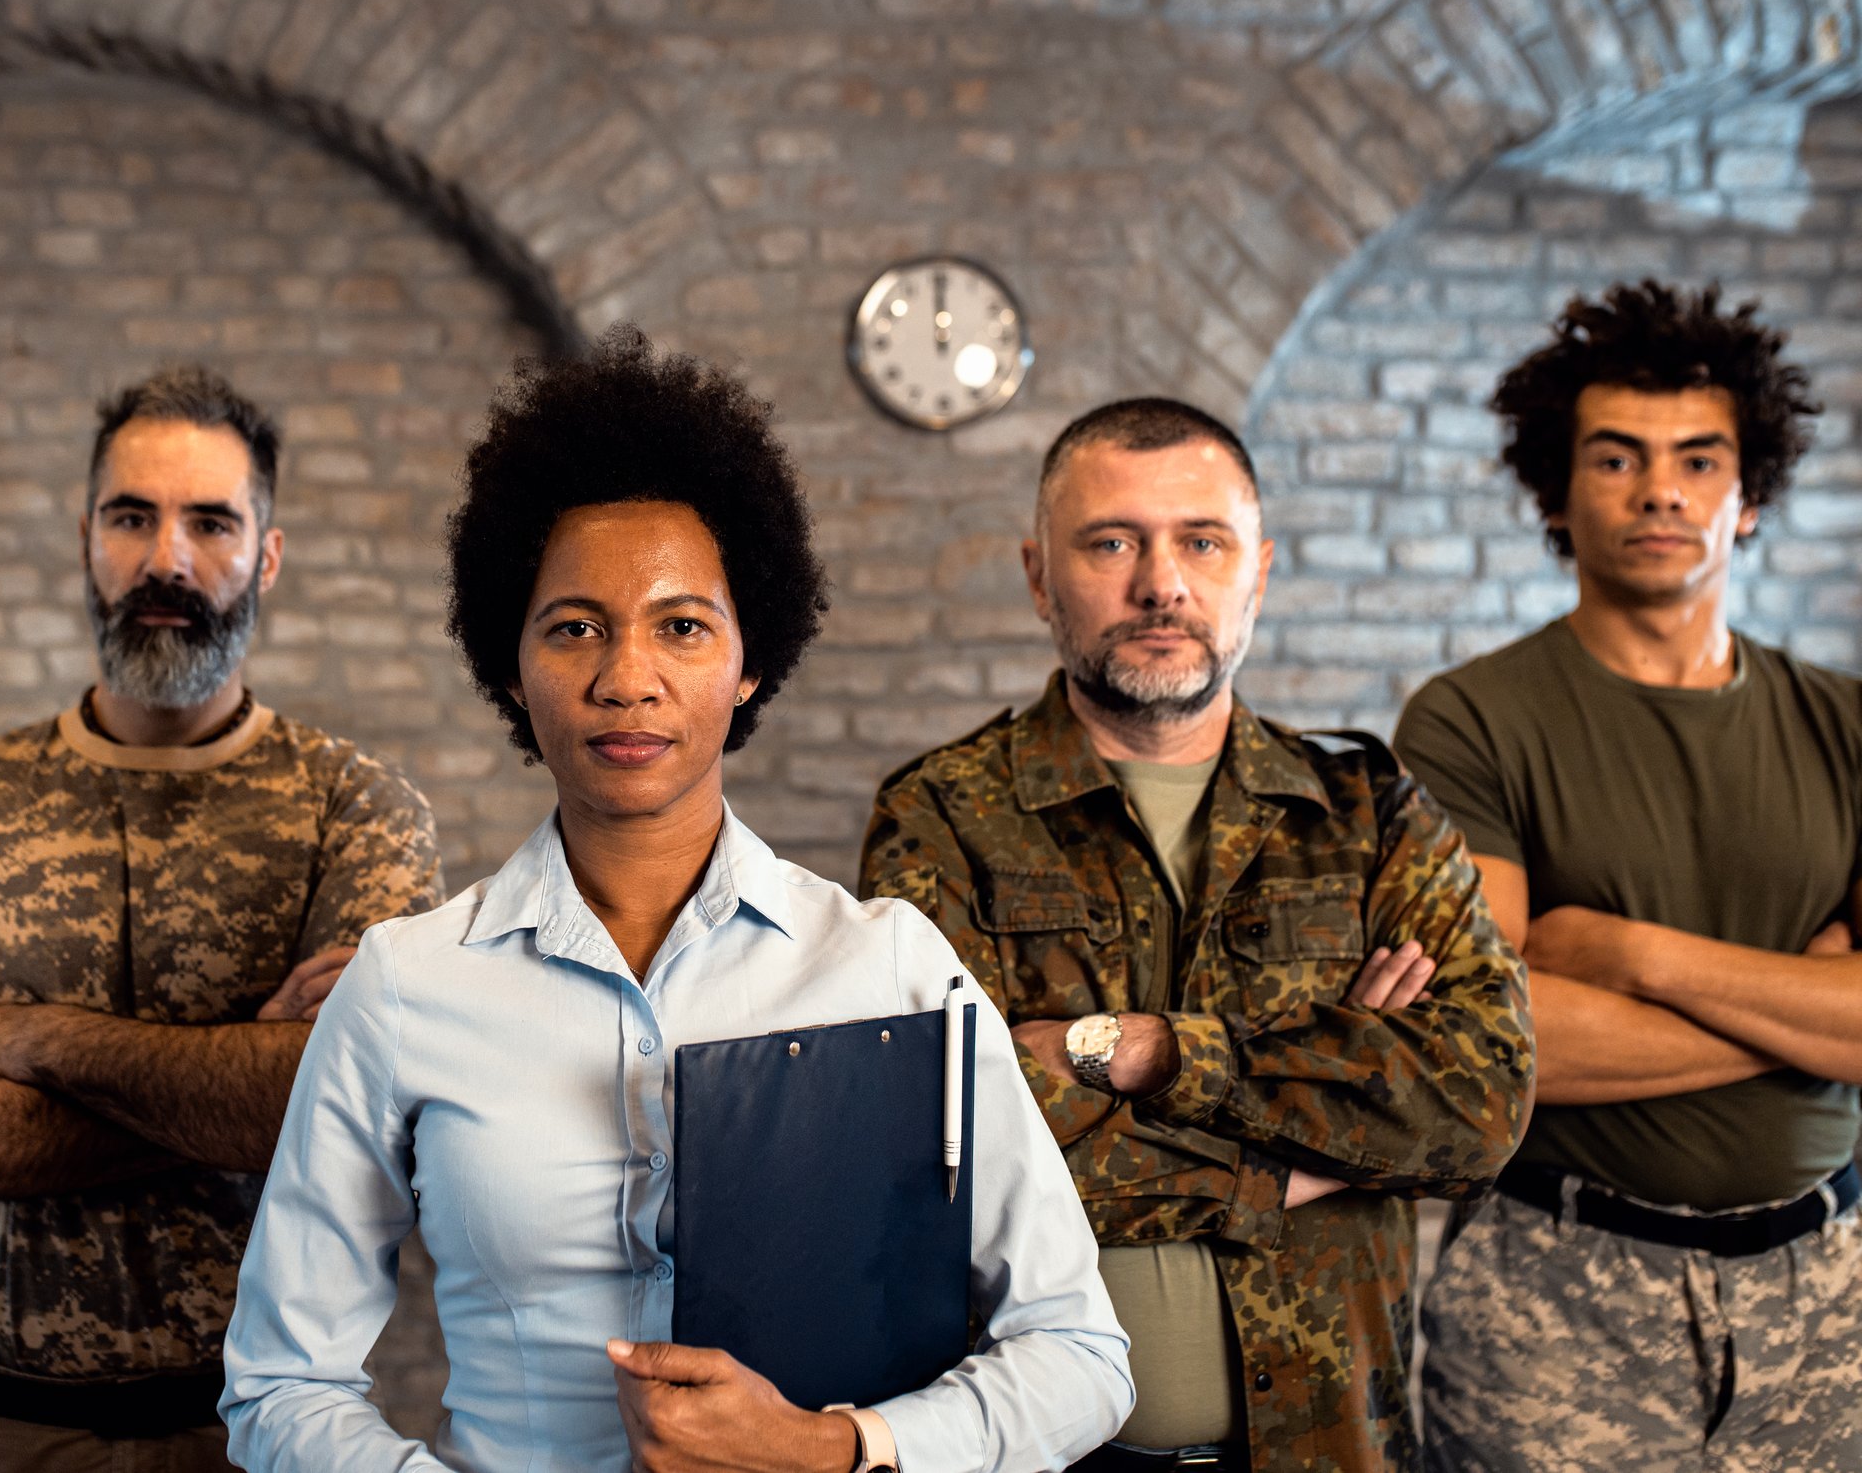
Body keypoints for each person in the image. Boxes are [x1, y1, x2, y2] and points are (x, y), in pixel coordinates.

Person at [220, 326, 1132, 1473]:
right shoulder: (406, 986)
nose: (627, 678)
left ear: (750, 662)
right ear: (511, 666)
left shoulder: (891, 970)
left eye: (682, 626)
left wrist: (833, 1448)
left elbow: (1081, 1354)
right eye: (575, 628)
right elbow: (279, 1384)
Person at [861, 397, 1534, 1473]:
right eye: (1111, 542)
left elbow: (1482, 1102)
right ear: (1038, 575)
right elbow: (950, 1153)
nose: (1161, 583)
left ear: (1257, 570)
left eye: (1202, 542)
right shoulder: (941, 815)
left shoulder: (1368, 813)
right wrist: (1329, 1140)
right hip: (1040, 1452)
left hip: (1334, 1449)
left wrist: (1145, 1052)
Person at [0, 365, 444, 1472]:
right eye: (132, 517)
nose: (167, 560)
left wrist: (31, 1039)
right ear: (87, 539)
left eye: (211, 523)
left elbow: (351, 1112)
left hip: (260, 1431)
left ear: (267, 555)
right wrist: (231, 1077)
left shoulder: (356, 809)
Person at [1394, 281, 1862, 1471]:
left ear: (1749, 498)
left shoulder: (1848, 725)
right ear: (1557, 494)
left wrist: (1632, 955)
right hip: (1556, 1296)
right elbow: (1489, 1042)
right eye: (1617, 458)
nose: (1661, 489)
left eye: (1700, 460)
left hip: (1829, 1301)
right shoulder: (1470, 721)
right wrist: (1804, 1016)